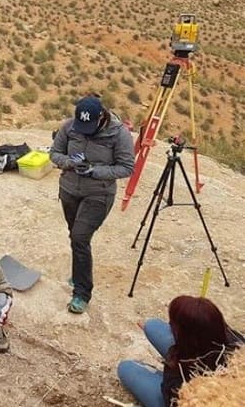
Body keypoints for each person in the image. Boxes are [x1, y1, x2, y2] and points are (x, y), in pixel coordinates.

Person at [50, 96, 134, 314]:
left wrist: (94, 171)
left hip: (98, 194)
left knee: (80, 237)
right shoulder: (70, 126)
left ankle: (82, 292)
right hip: (69, 190)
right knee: (75, 235)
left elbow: (126, 167)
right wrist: (69, 162)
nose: (84, 131)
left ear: (101, 118)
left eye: (89, 127)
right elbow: (54, 153)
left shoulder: (118, 133)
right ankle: (80, 272)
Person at [117, 295, 244, 407]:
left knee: (125, 368)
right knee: (152, 325)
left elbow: (170, 396)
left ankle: (152, 373)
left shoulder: (181, 370)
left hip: (187, 397)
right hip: (212, 369)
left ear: (185, 337)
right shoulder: (237, 342)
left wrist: (172, 361)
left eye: (172, 325)